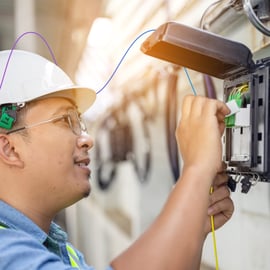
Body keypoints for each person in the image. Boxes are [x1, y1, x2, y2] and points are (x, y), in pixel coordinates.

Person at [0, 49, 233, 270]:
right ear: (9, 148)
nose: (87, 139)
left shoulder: (51, 247)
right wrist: (197, 169)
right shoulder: (6, 253)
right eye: (64, 120)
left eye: (79, 121)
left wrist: (190, 225)